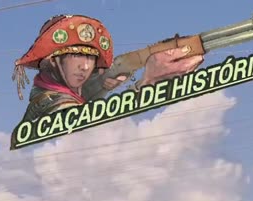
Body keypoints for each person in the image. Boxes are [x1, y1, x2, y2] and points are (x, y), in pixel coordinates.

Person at [12, 14, 205, 126]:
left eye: (90, 57)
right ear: (53, 61)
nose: (86, 66)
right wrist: (148, 83)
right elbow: (92, 128)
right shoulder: (54, 103)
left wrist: (102, 90)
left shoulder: (51, 92)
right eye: (75, 56)